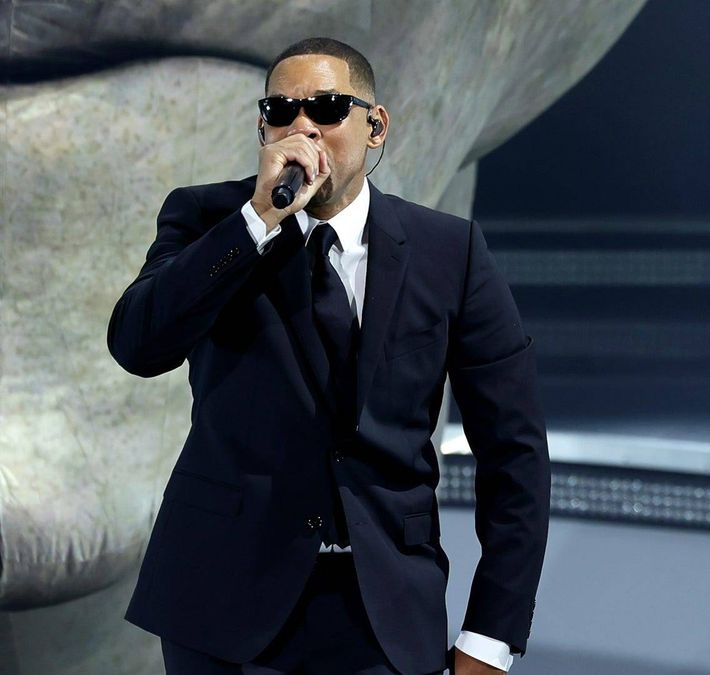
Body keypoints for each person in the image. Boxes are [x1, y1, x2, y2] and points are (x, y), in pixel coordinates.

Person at [108, 37, 549, 675]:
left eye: (327, 107)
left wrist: (490, 635)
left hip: (383, 612)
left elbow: (515, 453)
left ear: (375, 126)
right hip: (224, 608)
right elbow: (139, 345)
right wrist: (257, 218)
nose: (303, 126)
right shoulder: (210, 220)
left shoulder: (449, 252)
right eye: (281, 111)